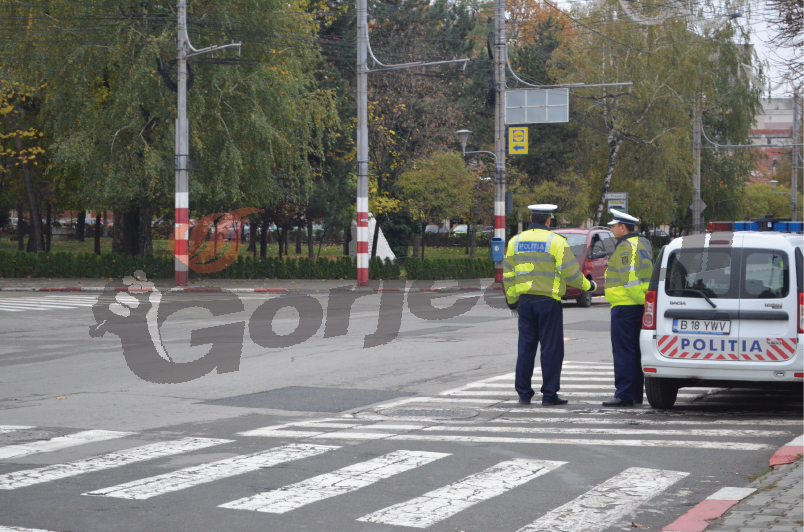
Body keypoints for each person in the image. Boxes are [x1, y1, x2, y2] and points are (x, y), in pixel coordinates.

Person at [503, 204, 597, 406]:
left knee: (526, 348)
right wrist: (589, 285)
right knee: (551, 349)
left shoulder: (515, 242)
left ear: (530, 219)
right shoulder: (556, 242)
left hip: (525, 302)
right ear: (548, 220)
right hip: (548, 302)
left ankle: (524, 393)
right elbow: (571, 273)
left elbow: (508, 276)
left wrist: (512, 303)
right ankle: (549, 394)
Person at [602, 209, 654, 407]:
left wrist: (639, 300)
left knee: (623, 352)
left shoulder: (625, 247)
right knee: (636, 352)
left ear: (623, 228)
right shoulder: (643, 244)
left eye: (613, 226)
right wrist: (644, 303)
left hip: (625, 306)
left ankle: (624, 394)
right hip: (638, 306)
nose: (611, 229)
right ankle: (635, 393)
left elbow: (629, 279)